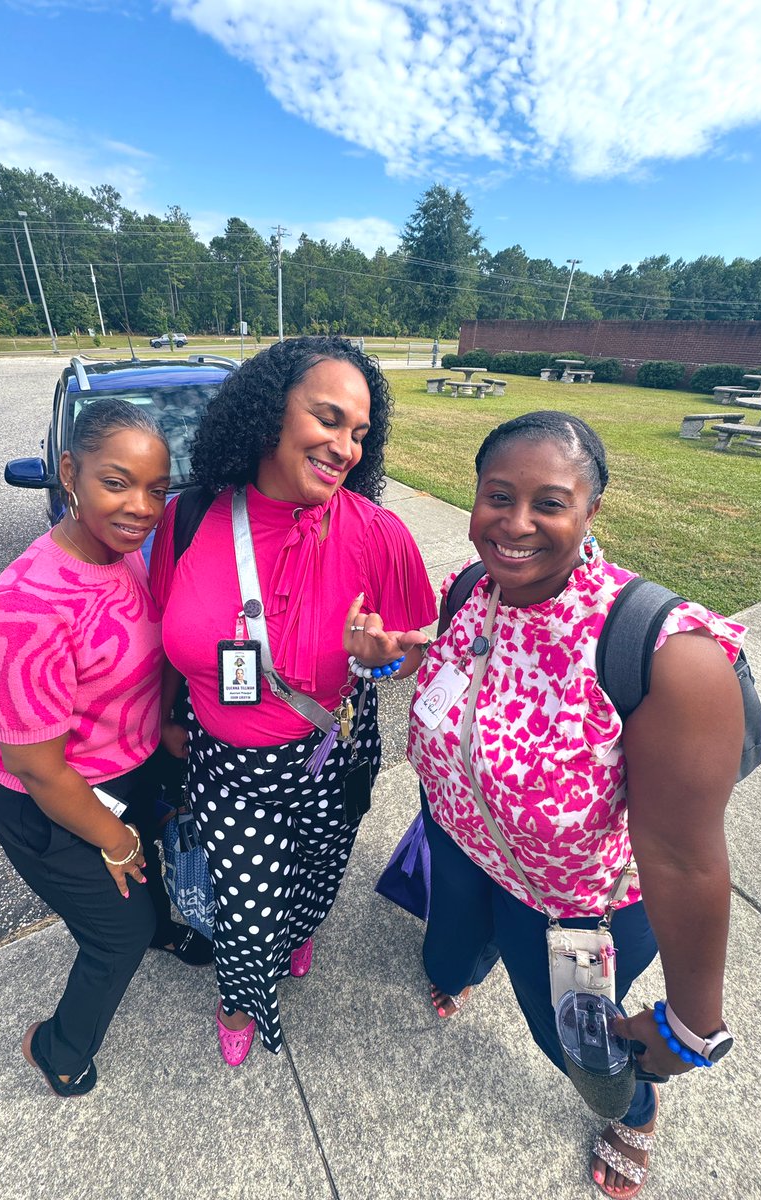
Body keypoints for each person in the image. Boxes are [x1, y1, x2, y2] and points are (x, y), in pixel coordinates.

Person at [405, 411, 744, 1198]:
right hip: (455, 844)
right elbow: (472, 681)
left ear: (593, 510)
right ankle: (461, 966)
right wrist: (405, 653)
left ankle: (634, 1114)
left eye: (549, 502)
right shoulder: (470, 587)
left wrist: (690, 1027)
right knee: (445, 953)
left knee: (575, 1042)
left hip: (568, 907)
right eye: (498, 495)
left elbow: (685, 857)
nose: (515, 524)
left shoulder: (664, 654)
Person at [149, 335, 436, 1066]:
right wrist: (169, 719)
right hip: (228, 763)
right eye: (328, 419)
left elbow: (411, 655)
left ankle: (301, 930)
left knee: (317, 873)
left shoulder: (379, 534)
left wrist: (380, 663)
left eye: (359, 434)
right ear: (270, 413)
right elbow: (165, 636)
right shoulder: (188, 520)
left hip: (330, 752)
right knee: (246, 911)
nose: (344, 446)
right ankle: (241, 995)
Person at [0, 398, 210, 1099]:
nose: (141, 506)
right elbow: (36, 768)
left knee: (146, 885)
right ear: (70, 471)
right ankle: (57, 1045)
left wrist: (158, 728)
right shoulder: (26, 609)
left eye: (157, 489)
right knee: (115, 932)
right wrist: (115, 838)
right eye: (117, 481)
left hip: (125, 773)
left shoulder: (121, 556)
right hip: (52, 807)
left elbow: (142, 662)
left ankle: (162, 930)